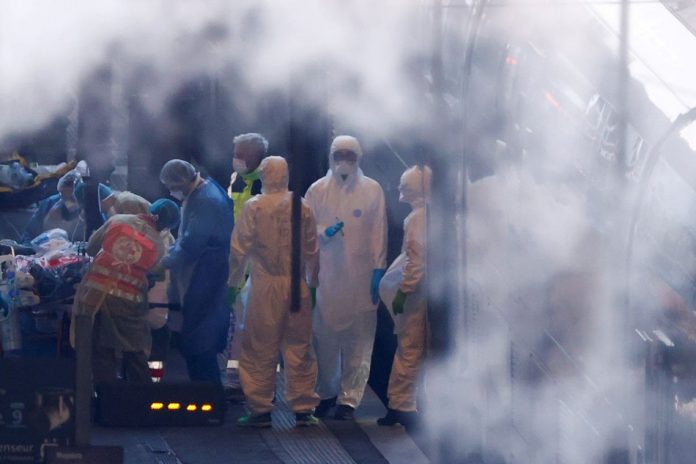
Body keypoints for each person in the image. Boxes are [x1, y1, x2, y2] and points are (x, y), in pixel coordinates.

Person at [228, 156, 320, 427]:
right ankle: (304, 408)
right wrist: (312, 284)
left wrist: (232, 284)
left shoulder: (254, 207)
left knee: (259, 348)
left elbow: (238, 249)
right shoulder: (302, 206)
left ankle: (260, 409)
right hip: (296, 287)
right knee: (300, 348)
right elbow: (313, 249)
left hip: (265, 284)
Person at [305, 135, 387, 420]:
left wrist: (379, 268)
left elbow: (379, 232)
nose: (344, 161)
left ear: (358, 158)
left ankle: (349, 400)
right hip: (327, 277)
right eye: (339, 154)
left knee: (359, 343)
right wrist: (322, 233)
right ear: (330, 156)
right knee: (324, 340)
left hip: (361, 278)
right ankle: (326, 393)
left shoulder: (372, 190)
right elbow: (306, 228)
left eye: (349, 156)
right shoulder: (317, 190)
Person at [70, 199, 180, 384]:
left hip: (94, 296)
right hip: (128, 304)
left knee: (101, 349)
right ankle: (140, 400)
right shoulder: (159, 247)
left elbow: (91, 248)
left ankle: (106, 398)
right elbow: (151, 273)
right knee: (135, 349)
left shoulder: (118, 219)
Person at [159, 159, 234, 383]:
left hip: (206, 271)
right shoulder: (205, 191)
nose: (172, 192)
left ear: (180, 183)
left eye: (172, 187)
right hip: (207, 268)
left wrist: (165, 261)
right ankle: (206, 390)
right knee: (200, 332)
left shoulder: (206, 201)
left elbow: (192, 243)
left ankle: (207, 392)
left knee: (199, 335)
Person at [377, 165, 431, 429]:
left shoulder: (417, 217)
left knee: (407, 347)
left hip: (402, 287)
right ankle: (402, 406)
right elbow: (417, 260)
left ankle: (399, 403)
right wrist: (407, 289)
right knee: (410, 348)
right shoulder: (421, 218)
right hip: (409, 291)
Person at [223, 133, 268, 393]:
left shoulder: (265, 185)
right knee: (238, 326)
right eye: (235, 152)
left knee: (255, 327)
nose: (236, 159)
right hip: (239, 261)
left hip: (257, 267)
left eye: (242, 154)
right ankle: (235, 377)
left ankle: (256, 382)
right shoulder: (238, 180)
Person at [22, 170, 85, 242]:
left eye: (71, 198)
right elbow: (29, 233)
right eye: (63, 196)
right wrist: (30, 249)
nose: (67, 203)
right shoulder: (50, 203)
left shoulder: (91, 206)